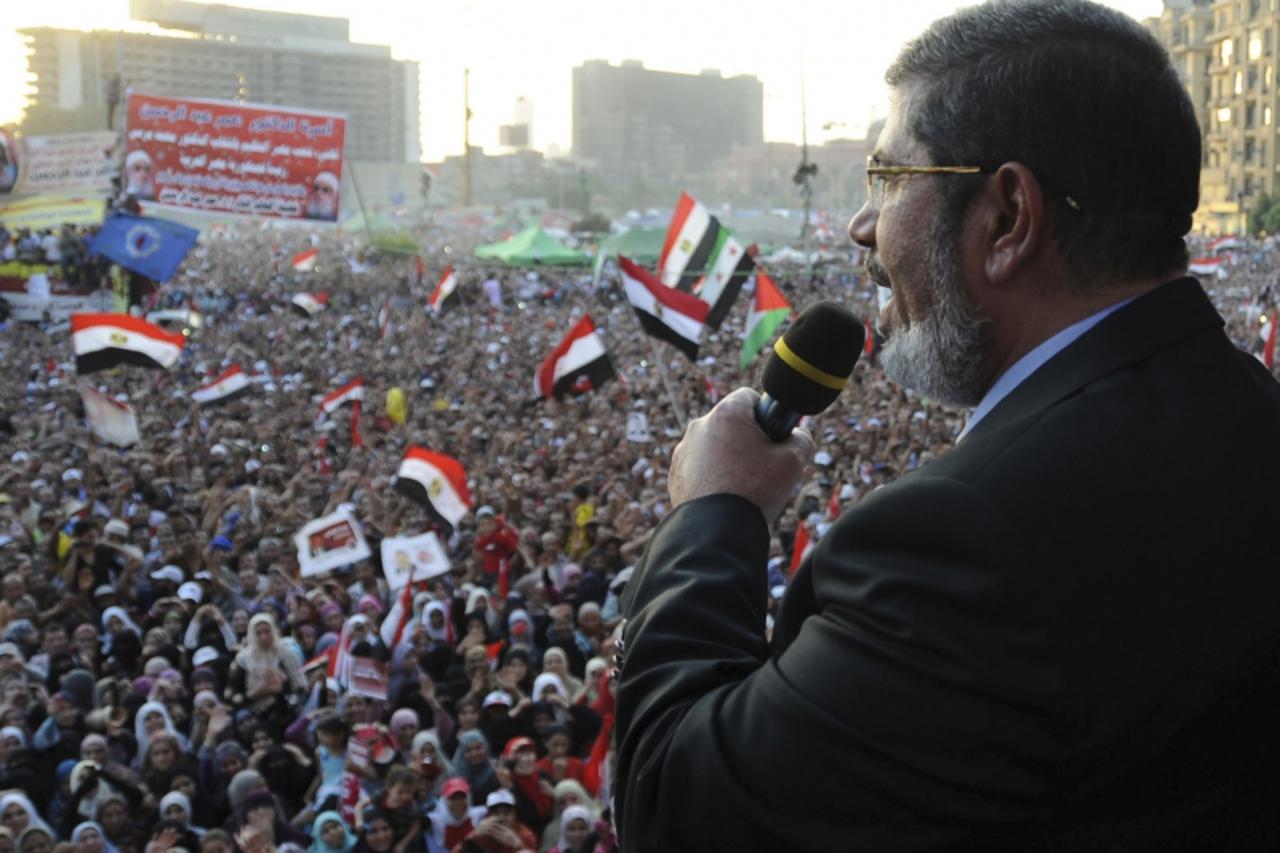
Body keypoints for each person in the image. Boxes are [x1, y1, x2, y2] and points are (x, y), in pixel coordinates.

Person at [614, 1, 1280, 850]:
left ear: (1006, 219)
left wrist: (714, 513)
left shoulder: (967, 540)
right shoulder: (1252, 415)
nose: (862, 226)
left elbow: (677, 806)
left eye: (888, 180)